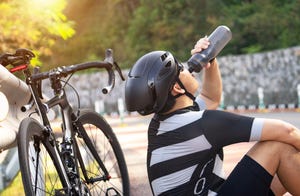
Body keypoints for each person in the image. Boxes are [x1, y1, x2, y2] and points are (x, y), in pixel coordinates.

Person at [124, 37, 300, 196]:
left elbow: (210, 97)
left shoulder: (162, 123)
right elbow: (287, 131)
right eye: (181, 68)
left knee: (285, 167)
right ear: (176, 88)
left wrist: (210, 60)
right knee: (277, 147)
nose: (188, 69)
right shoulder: (201, 124)